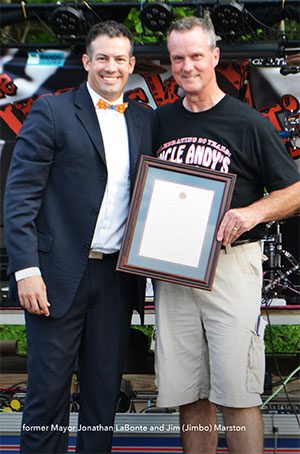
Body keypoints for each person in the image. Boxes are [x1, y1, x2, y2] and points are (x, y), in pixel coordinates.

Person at [4, 20, 157, 453]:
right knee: (47, 394)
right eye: (103, 58)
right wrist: (27, 270)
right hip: (55, 274)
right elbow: (19, 199)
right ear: (88, 61)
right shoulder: (51, 111)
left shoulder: (145, 120)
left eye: (120, 59)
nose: (112, 67)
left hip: (116, 279)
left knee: (102, 396)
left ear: (131, 65)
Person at [154, 16, 300, 454]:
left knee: (236, 391)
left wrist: (251, 213)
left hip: (230, 266)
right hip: (174, 271)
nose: (187, 66)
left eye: (196, 55)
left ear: (215, 57)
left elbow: (295, 190)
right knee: (189, 393)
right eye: (178, 58)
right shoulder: (159, 122)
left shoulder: (247, 122)